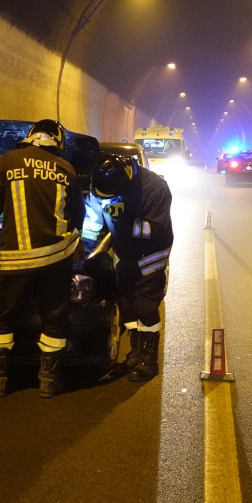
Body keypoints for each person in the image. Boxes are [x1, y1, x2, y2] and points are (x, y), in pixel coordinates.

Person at [0, 120, 83, 398]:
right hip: (55, 259)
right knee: (54, 319)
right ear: (57, 142)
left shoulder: (7, 161)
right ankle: (49, 381)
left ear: (30, 138)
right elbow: (78, 216)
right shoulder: (67, 169)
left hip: (16, 258)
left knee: (2, 318)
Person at [83, 153, 173, 382]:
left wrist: (126, 225)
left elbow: (159, 229)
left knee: (145, 306)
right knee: (127, 305)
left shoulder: (154, 187)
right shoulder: (102, 184)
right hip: (124, 256)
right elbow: (94, 217)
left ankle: (149, 360)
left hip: (150, 256)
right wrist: (84, 247)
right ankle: (135, 353)